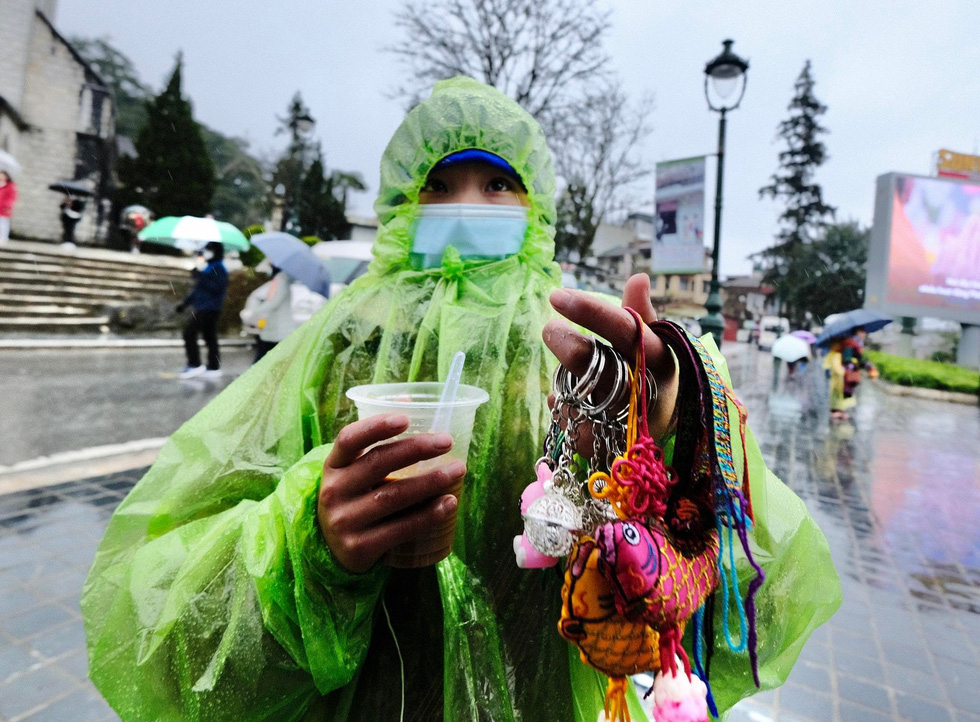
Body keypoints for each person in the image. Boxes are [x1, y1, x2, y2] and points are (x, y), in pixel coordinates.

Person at [82, 78, 840, 721]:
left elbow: (761, 590)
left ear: (533, 202)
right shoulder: (342, 344)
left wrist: (670, 428)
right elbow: (154, 614)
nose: (466, 203)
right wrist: (309, 546)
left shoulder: (576, 339)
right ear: (401, 202)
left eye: (496, 183)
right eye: (438, 185)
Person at [176, 241, 228, 379]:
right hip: (203, 306)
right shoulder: (208, 267)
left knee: (189, 333)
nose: (207, 252)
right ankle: (213, 366)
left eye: (209, 249)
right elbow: (198, 290)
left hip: (210, 308)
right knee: (209, 336)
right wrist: (185, 304)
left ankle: (195, 364)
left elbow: (217, 288)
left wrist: (201, 277)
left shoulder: (219, 268)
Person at [245, 266, 299, 362]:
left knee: (261, 360)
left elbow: (273, 302)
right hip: (275, 329)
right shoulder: (280, 279)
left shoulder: (281, 280)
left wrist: (254, 311)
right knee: (267, 360)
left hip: (278, 330)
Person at [0, 171, 17, 243]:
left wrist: (7, 206)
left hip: (4, 208)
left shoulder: (10, 186)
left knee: (3, 223)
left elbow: (12, 197)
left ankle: (3, 237)